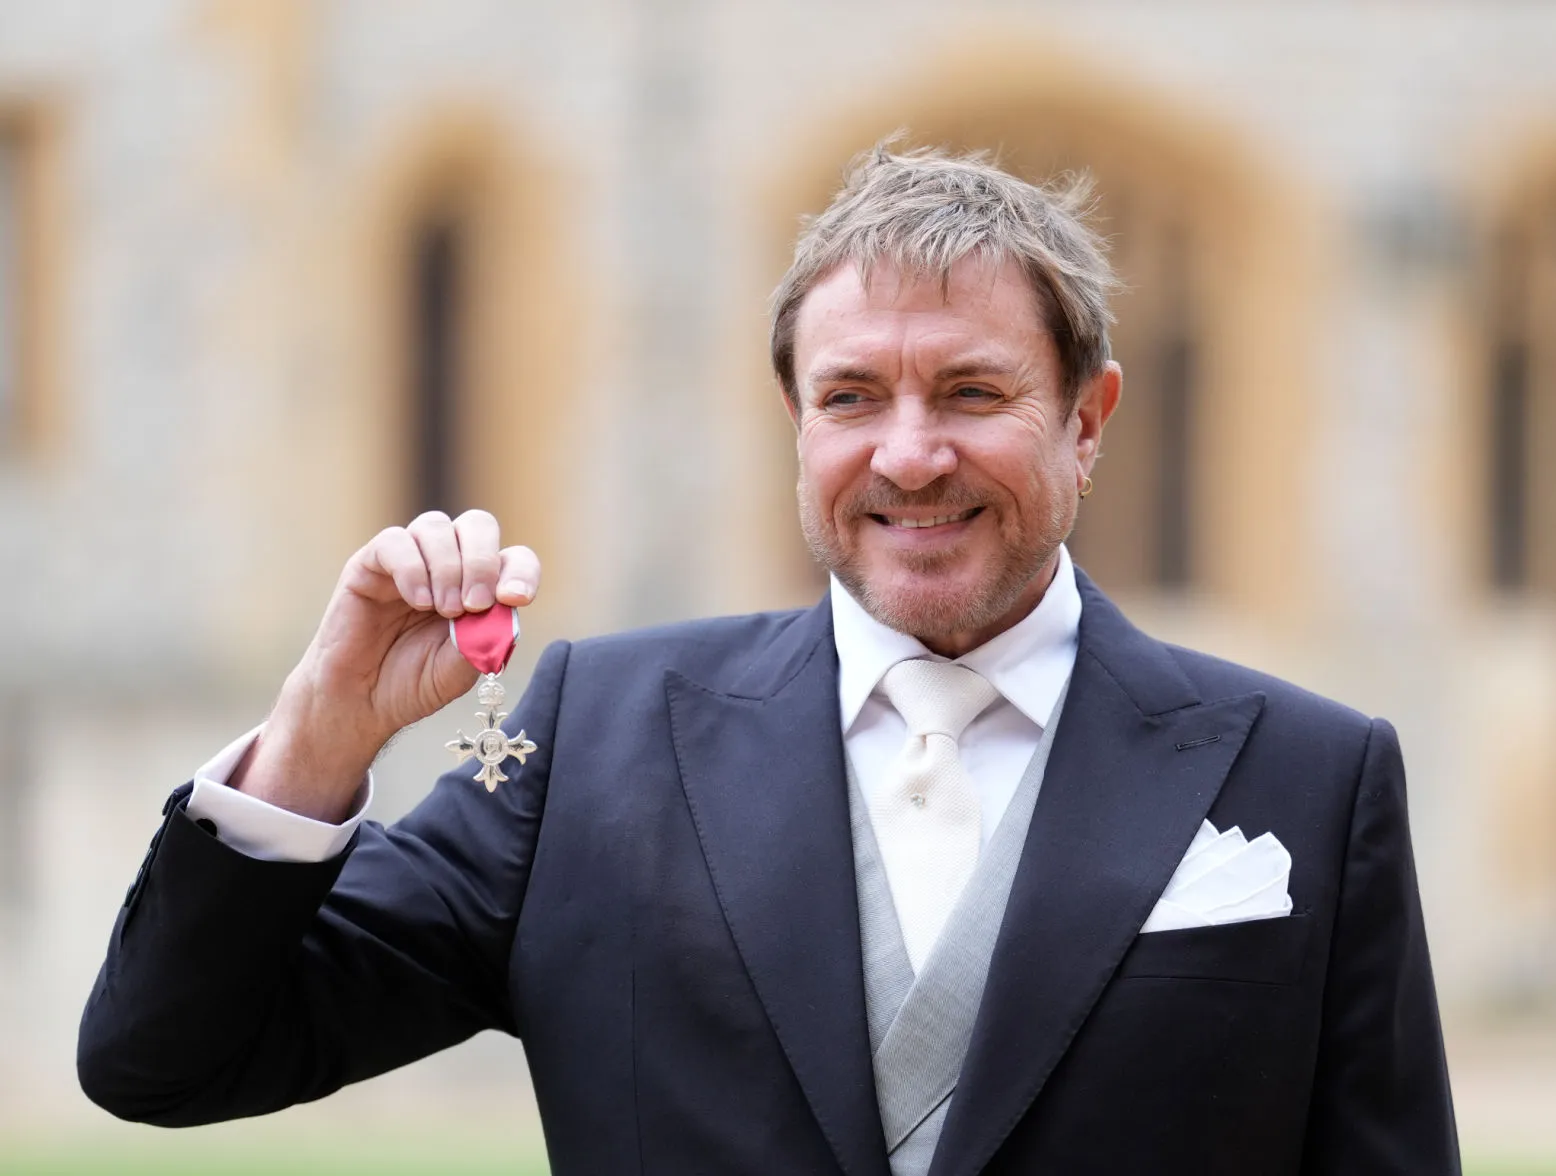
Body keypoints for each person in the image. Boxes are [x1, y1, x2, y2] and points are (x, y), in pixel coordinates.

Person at [77, 144, 1459, 1175]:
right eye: (853, 398)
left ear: (1086, 421)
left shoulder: (1312, 775)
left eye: (972, 394)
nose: (909, 455)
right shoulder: (592, 741)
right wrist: (320, 734)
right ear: (799, 422)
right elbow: (166, 1060)